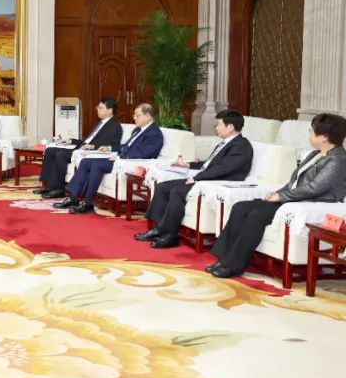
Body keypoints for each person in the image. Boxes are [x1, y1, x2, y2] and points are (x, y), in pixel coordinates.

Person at [206, 113, 346, 279]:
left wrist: (281, 197)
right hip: (293, 199)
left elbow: (314, 188)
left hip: (307, 203)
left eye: (312, 130)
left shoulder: (338, 159)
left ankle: (233, 265)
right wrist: (278, 193)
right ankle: (223, 259)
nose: (309, 133)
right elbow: (295, 181)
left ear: (324, 137)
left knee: (256, 215)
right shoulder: (315, 154)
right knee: (240, 207)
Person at [135, 110, 253, 249]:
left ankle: (170, 235)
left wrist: (197, 177)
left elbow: (224, 169)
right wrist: (187, 165)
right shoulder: (226, 143)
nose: (216, 128)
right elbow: (209, 164)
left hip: (217, 184)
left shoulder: (241, 145)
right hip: (207, 179)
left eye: (219, 125)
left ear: (230, 127)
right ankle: (158, 229)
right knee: (163, 186)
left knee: (177, 190)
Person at [55, 103, 164, 214]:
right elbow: (126, 146)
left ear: (148, 116)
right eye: (134, 115)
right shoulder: (137, 130)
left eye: (137, 115)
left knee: (96, 165)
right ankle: (73, 198)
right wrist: (109, 148)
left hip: (130, 164)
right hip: (121, 160)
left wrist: (120, 157)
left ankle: (88, 203)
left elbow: (144, 153)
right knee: (86, 161)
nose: (134, 117)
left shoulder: (154, 134)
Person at [35, 98, 123, 198]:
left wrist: (93, 146)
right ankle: (48, 186)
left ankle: (59, 189)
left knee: (61, 155)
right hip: (81, 148)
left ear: (110, 110)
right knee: (49, 151)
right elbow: (87, 141)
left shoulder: (114, 126)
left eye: (101, 108)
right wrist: (71, 141)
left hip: (90, 152)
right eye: (97, 108)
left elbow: (110, 145)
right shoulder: (101, 123)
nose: (98, 110)